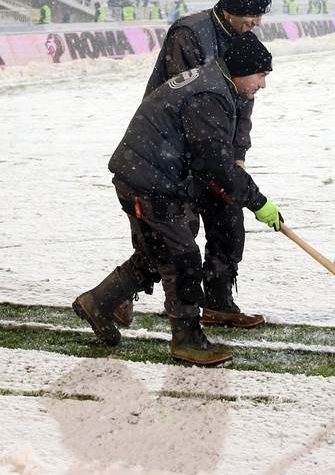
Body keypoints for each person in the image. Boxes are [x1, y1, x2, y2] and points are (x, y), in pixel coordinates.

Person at [73, 32, 280, 366]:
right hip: (148, 179)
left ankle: (98, 302)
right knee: (182, 258)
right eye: (262, 75)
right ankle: (187, 340)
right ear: (243, 70)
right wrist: (259, 203)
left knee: (158, 255)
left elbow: (210, 161)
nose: (263, 84)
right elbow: (216, 165)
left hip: (148, 173)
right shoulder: (210, 94)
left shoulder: (215, 83)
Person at [107, 0, 272, 330]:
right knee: (175, 236)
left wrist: (237, 153)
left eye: (261, 16)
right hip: (172, 150)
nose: (257, 23)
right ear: (232, 9)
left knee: (229, 221)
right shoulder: (190, 34)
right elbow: (190, 102)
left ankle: (217, 301)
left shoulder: (244, 39)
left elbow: (243, 104)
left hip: (211, 148)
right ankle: (119, 297)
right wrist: (218, 165)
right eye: (253, 14)